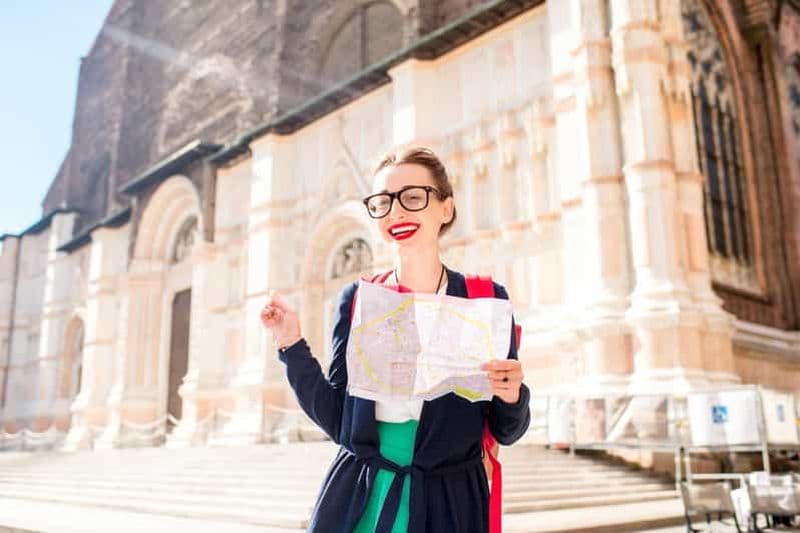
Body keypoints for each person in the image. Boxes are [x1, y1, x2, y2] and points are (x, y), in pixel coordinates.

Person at [260, 147, 530, 533]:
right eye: (383, 202)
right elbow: (338, 420)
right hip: (363, 498)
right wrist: (291, 345)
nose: (397, 212)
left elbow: (507, 430)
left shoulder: (485, 299)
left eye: (414, 197)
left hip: (452, 504)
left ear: (446, 209)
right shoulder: (359, 299)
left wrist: (512, 395)